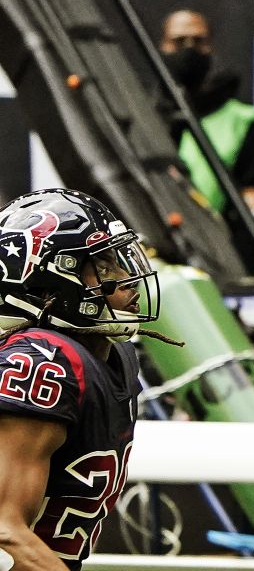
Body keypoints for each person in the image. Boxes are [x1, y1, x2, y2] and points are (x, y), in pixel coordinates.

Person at [0, 188, 173, 570]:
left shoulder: (115, 357)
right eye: (106, 266)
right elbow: (3, 536)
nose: (128, 280)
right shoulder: (41, 363)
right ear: (49, 283)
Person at [159, 9, 254, 274]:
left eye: (197, 41)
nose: (189, 50)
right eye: (179, 42)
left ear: (210, 46)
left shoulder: (245, 124)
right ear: (163, 47)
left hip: (226, 265)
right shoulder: (145, 117)